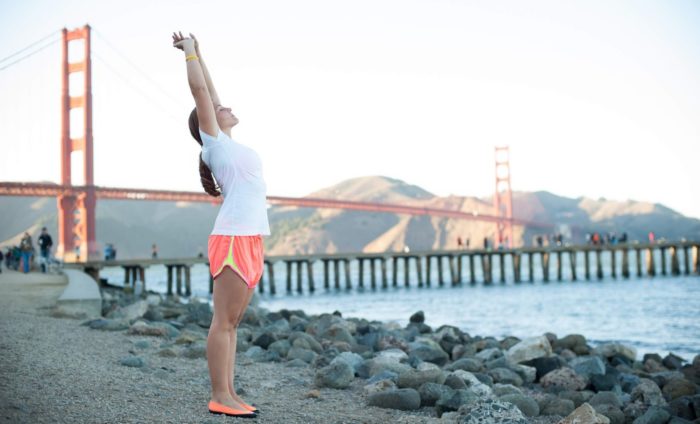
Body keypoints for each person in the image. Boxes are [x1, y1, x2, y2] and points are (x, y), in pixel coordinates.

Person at [173, 31, 269, 418]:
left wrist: (202, 53)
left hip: (250, 238)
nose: (223, 105)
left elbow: (209, 93)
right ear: (207, 124)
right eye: (217, 108)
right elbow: (201, 93)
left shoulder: (227, 144)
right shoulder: (214, 145)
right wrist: (190, 54)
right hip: (231, 238)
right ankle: (218, 396)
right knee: (222, 322)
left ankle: (229, 393)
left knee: (233, 323)